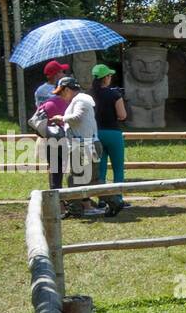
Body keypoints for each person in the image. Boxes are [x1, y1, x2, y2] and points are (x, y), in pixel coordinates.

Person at [47, 77, 105, 219]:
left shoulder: (80, 100)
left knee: (76, 179)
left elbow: (77, 117)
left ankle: (75, 209)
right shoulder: (82, 99)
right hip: (88, 144)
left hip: (83, 145)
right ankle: (106, 203)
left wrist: (61, 118)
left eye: (61, 93)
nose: (61, 97)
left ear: (67, 89)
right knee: (90, 179)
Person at [91, 63, 129, 215]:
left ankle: (102, 198)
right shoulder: (114, 95)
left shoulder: (88, 94)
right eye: (109, 75)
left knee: (101, 169)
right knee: (118, 168)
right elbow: (122, 115)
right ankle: (118, 198)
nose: (111, 77)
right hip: (113, 133)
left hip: (96, 134)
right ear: (105, 78)